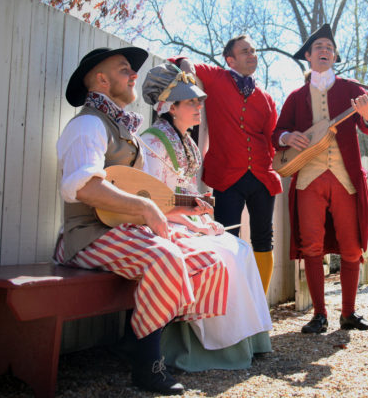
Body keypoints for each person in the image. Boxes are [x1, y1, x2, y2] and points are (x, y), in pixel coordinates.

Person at [54, 47, 227, 395]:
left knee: (208, 261)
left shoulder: (124, 130)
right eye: (124, 70)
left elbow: (145, 196)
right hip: (87, 237)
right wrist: (147, 211)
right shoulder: (88, 124)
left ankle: (133, 340)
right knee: (166, 258)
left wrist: (182, 209)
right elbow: (86, 188)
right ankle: (148, 368)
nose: (134, 74)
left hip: (124, 231)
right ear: (101, 80)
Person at [139, 62, 272, 371]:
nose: (199, 107)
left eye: (198, 100)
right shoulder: (154, 142)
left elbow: (186, 194)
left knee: (242, 249)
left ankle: (250, 340)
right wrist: (188, 215)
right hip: (162, 228)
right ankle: (207, 347)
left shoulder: (188, 143)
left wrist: (200, 212)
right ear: (170, 107)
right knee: (223, 254)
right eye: (190, 102)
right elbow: (152, 203)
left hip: (187, 223)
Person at [272, 24, 368, 334]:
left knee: (352, 246)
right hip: (308, 177)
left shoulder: (351, 89)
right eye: (319, 46)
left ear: (334, 56)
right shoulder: (295, 97)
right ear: (307, 55)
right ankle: (319, 314)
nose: (325, 51)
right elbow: (275, 133)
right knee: (312, 247)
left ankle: (348, 313)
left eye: (329, 48)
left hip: (345, 177)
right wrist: (286, 137)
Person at [168, 35, 282, 295]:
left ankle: (259, 305)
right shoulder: (217, 77)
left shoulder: (266, 98)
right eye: (245, 51)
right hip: (227, 176)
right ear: (230, 59)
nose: (252, 54)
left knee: (264, 240)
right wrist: (185, 67)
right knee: (227, 238)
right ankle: (232, 303)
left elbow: (272, 138)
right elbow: (177, 60)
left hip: (263, 176)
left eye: (253, 50)